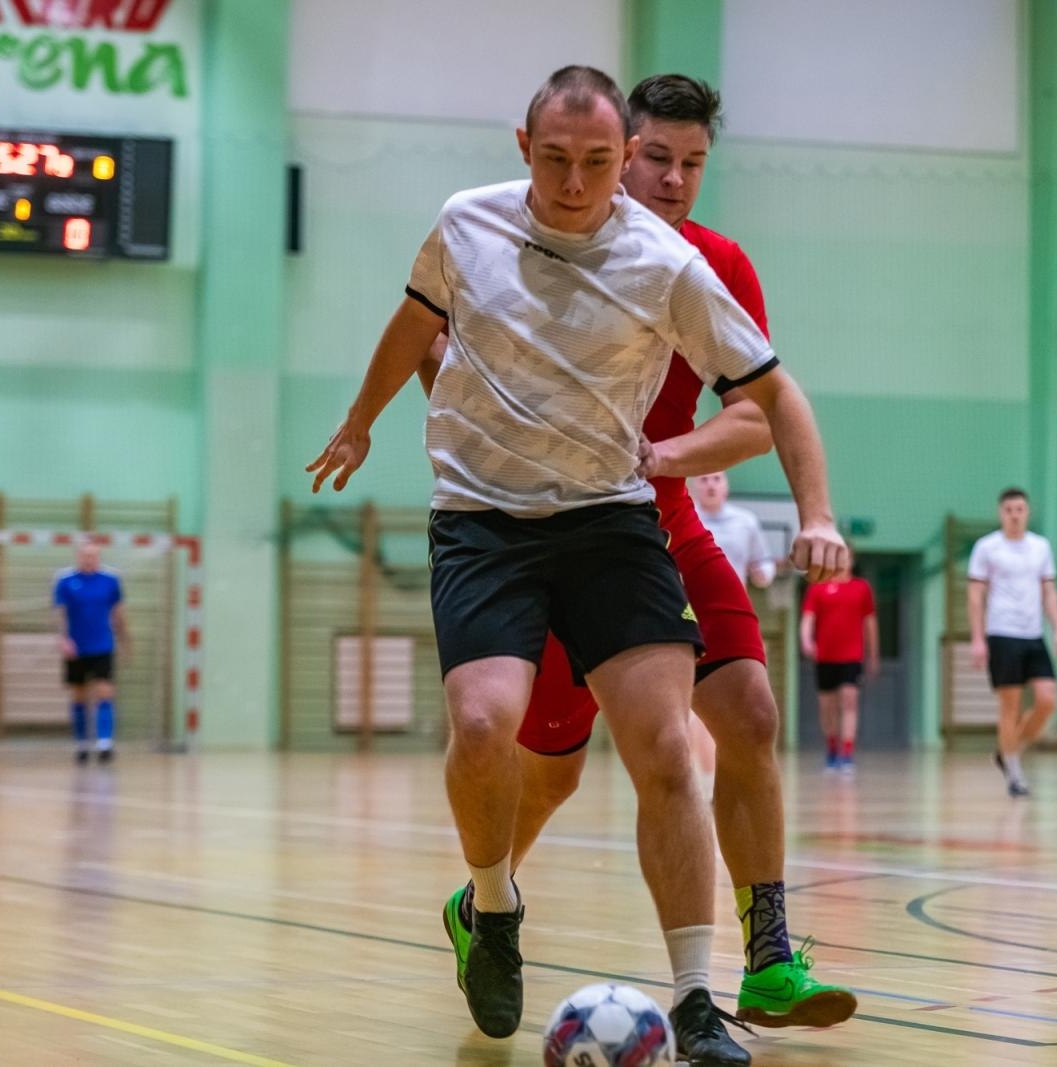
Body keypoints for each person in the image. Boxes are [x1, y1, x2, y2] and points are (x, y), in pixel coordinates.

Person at [306, 66, 848, 1064]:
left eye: (685, 163)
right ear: (529, 149)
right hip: (491, 525)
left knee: (702, 733)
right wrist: (367, 420)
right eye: (647, 158)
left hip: (627, 517)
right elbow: (422, 328)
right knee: (513, 749)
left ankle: (722, 981)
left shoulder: (685, 263)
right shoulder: (470, 226)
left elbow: (769, 399)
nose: (584, 179)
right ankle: (491, 901)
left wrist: (802, 504)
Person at [967, 487, 1057, 797]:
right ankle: (1014, 773)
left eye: (1019, 509)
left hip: (1033, 634)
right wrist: (977, 638)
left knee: (1047, 700)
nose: (1014, 514)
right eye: (1009, 509)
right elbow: (974, 595)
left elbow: (1048, 591)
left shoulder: (1040, 547)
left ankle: (1008, 751)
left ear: (1027, 512)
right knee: (1009, 706)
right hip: (1002, 633)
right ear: (1001, 513)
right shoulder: (987, 548)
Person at [53, 541, 126, 764]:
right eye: (85, 555)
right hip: (77, 647)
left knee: (105, 692)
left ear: (98, 557)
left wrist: (124, 639)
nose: (89, 559)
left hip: (103, 645)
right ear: (78, 556)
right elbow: (59, 613)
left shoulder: (110, 580)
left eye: (93, 555)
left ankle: (105, 743)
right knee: (79, 695)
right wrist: (63, 639)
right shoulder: (66, 580)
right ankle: (82, 743)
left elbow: (118, 612)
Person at [800, 567, 878, 774]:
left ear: (851, 560)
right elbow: (808, 617)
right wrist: (806, 640)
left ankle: (847, 754)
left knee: (849, 701)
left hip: (852, 656)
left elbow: (870, 623)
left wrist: (873, 654)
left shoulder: (861, 588)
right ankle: (832, 749)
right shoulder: (818, 587)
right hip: (825, 656)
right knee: (828, 707)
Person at [692, 471, 775, 591]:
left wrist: (763, 574)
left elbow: (763, 559)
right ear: (695, 487)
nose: (710, 485)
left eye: (716, 479)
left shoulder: (746, 520)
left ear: (726, 486)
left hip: (735, 597)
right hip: (692, 598)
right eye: (704, 479)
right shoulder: (684, 520)